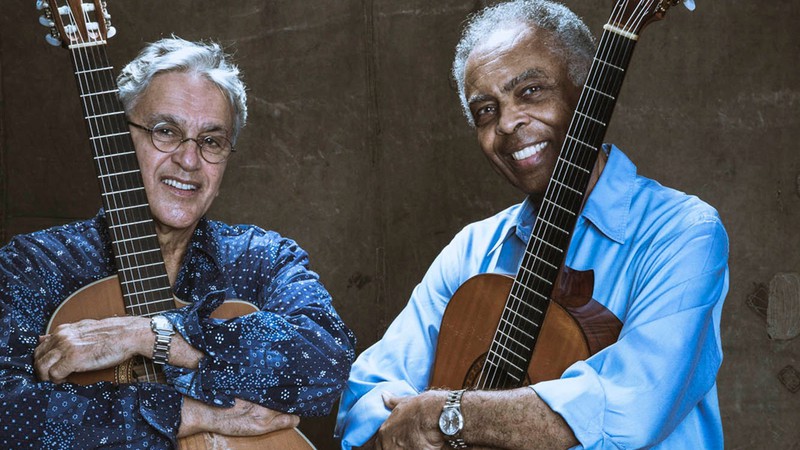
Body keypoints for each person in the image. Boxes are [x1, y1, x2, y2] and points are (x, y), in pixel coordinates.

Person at [335, 1, 728, 449]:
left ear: (586, 92)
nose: (507, 123)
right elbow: (362, 401)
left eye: (531, 91)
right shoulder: (471, 251)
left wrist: (447, 414)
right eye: (485, 110)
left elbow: (625, 412)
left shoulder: (683, 233)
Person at [0, 37, 356, 448]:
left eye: (211, 141)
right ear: (118, 141)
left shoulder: (262, 259)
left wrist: (149, 336)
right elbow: (9, 417)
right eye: (166, 132)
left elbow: (325, 367)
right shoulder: (34, 265)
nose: (189, 161)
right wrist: (188, 413)